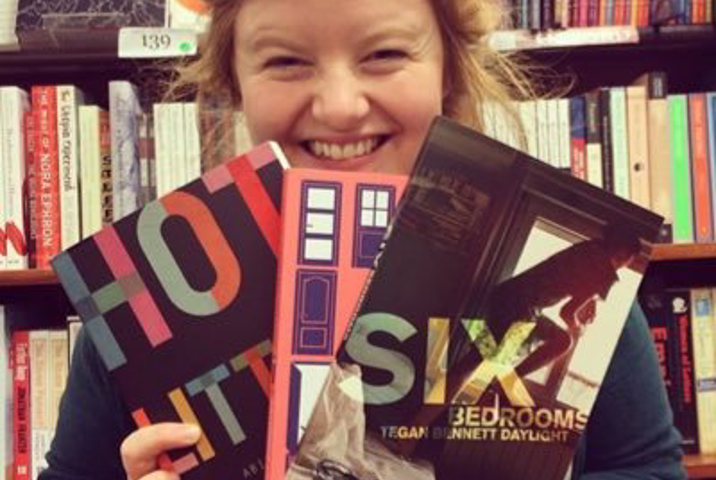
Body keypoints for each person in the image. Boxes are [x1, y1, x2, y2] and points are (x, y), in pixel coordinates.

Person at [39, 0, 685, 479]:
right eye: (286, 61)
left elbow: (647, 468)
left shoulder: (593, 291)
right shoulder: (143, 308)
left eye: (384, 54)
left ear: (448, 72)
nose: (341, 106)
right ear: (233, 85)